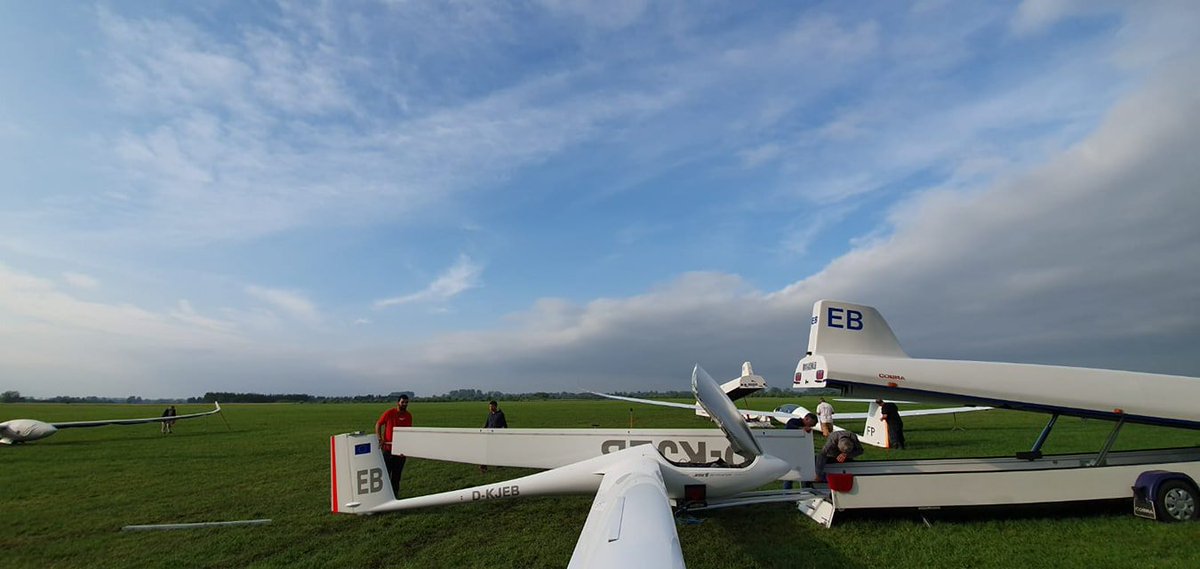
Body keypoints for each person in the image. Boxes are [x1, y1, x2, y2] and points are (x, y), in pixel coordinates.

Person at [375, 395, 413, 494]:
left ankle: (394, 496)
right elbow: (378, 424)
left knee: (396, 476)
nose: (405, 404)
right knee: (385, 475)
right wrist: (380, 439)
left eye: (406, 402)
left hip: (401, 452)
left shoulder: (408, 416)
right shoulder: (390, 413)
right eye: (402, 402)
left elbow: (409, 432)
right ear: (398, 403)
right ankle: (384, 495)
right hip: (388, 450)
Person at [480, 400, 508, 472]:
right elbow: (487, 424)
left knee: (496, 450)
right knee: (486, 451)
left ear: (495, 406)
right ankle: (483, 465)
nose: (490, 407)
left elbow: (504, 425)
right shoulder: (490, 414)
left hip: (497, 436)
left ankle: (499, 463)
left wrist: (506, 433)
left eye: (491, 406)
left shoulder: (500, 414)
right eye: (489, 406)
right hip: (489, 435)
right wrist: (482, 431)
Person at [782, 417, 805, 490]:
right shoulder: (793, 421)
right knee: (790, 473)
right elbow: (789, 426)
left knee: (803, 472)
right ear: (807, 419)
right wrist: (802, 429)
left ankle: (804, 489)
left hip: (798, 452)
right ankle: (787, 492)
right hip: (791, 452)